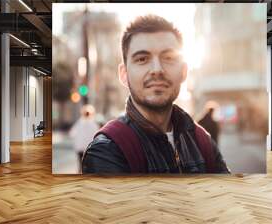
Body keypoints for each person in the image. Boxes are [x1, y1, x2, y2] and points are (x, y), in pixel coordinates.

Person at [82, 15, 229, 174]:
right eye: (142, 59)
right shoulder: (106, 151)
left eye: (169, 58)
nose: (157, 69)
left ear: (184, 71)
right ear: (124, 74)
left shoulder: (202, 141)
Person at [69, 105, 100, 172]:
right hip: (88, 147)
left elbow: (72, 133)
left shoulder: (79, 123)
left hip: (80, 147)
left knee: (80, 163)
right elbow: (97, 135)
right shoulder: (93, 124)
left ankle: (80, 173)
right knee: (88, 163)